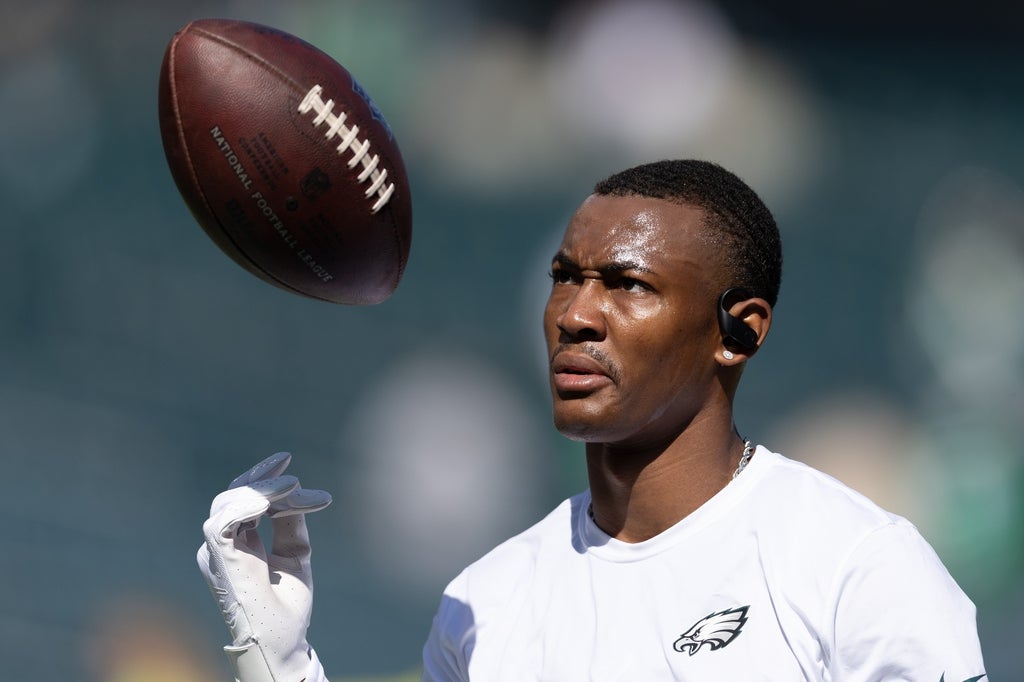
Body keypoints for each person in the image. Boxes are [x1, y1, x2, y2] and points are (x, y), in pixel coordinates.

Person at [198, 160, 987, 681]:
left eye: (628, 285)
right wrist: (284, 664)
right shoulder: (487, 602)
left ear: (738, 330)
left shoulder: (856, 567)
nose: (576, 314)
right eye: (564, 278)